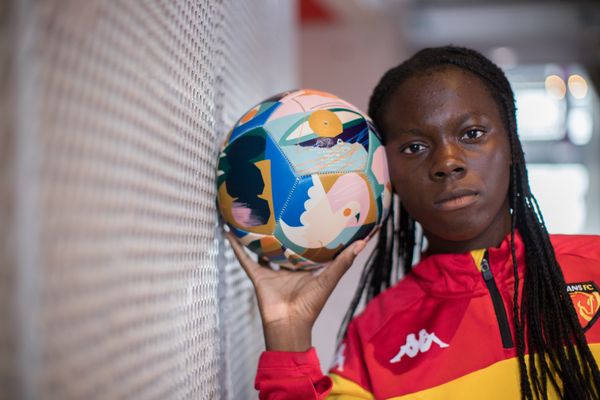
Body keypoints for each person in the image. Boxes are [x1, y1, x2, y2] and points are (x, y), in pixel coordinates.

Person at [225, 46, 600, 399]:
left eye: (472, 134)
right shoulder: (373, 341)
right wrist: (288, 331)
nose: (448, 161)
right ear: (385, 175)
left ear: (512, 146)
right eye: (414, 148)